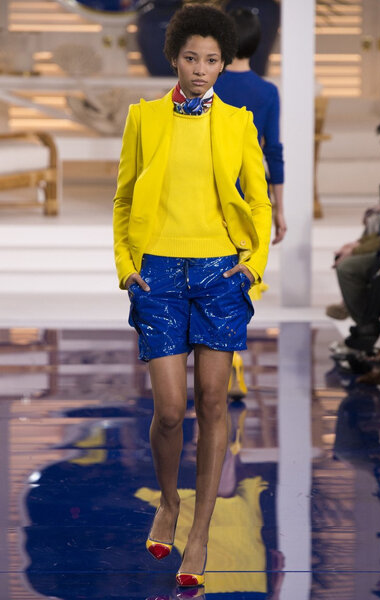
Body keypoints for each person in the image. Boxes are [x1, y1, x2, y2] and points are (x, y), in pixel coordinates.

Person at [112, 4, 271, 588]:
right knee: (169, 410)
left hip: (219, 274)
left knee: (213, 401)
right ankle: (169, 501)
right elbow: (123, 198)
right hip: (157, 273)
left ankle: (199, 532)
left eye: (211, 60)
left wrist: (253, 265)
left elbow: (258, 200)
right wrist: (126, 266)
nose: (201, 69)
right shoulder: (143, 118)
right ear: (173, 58)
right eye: (190, 58)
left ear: (224, 63)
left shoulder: (237, 122)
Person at [331, 115, 380, 354]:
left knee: (349, 267)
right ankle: (367, 328)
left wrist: (358, 248)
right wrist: (358, 244)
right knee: (348, 260)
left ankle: (368, 329)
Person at [213, 7, 286, 244]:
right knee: (249, 263)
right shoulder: (268, 92)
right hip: (252, 190)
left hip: (211, 189)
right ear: (257, 42)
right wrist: (279, 209)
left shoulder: (208, 88)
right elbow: (273, 151)